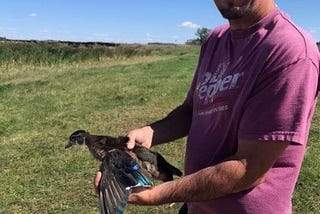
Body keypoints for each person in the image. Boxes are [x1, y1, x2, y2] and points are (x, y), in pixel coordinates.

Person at [94, 0, 320, 213]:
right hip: (199, 204)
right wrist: (151, 132)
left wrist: (154, 195)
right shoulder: (216, 38)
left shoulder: (291, 52)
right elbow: (192, 108)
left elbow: (248, 167)